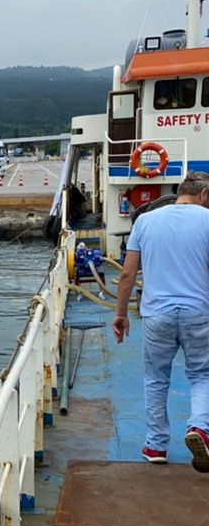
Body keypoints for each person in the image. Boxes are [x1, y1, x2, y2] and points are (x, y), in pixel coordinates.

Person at [113, 172, 209, 468]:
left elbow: (128, 274)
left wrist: (120, 314)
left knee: (156, 379)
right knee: (202, 375)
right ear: (204, 195)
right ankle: (200, 429)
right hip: (199, 313)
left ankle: (156, 447)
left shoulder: (145, 221)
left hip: (156, 314)